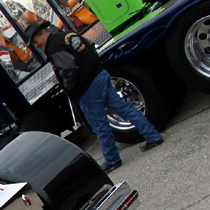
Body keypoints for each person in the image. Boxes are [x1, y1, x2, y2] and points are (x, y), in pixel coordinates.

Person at [25, 20, 164, 171]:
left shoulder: (54, 47)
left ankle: (112, 159)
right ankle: (152, 136)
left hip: (87, 88)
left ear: (44, 33)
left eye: (36, 41)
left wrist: (70, 88)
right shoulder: (67, 35)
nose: (36, 45)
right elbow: (91, 46)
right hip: (100, 76)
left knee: (100, 126)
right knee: (124, 108)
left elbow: (69, 68)